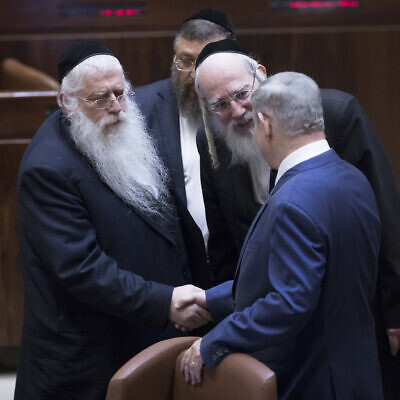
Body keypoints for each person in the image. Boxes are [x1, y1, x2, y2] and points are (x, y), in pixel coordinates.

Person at [194, 39, 400, 399]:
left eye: (242, 94)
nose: (238, 110)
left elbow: (293, 298)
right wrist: (213, 300)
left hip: (316, 363)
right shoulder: (346, 176)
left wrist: (217, 339)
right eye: (220, 105)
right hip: (334, 356)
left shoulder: (333, 122)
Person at [14, 40, 210, 400]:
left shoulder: (124, 132)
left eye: (121, 92)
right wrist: (163, 300)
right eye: (100, 98)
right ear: (66, 102)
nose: (117, 107)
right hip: (85, 360)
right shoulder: (47, 168)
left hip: (143, 335)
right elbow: (82, 268)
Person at [135, 9, 235, 248]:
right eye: (186, 61)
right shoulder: (139, 110)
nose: (193, 74)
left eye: (204, 62)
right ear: (174, 59)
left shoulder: (248, 106)